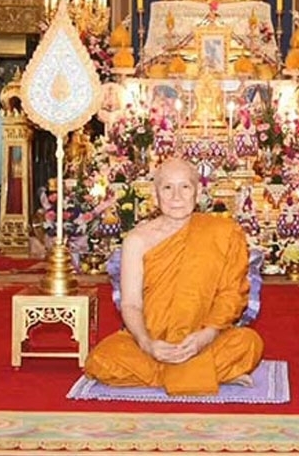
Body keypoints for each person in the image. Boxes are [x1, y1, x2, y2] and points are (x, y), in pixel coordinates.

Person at [84, 159, 264, 395]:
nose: (176, 196)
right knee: (102, 358)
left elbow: (232, 294)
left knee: (249, 343)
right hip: (153, 341)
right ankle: (206, 372)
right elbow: (131, 304)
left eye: (185, 187)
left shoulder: (224, 232)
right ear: (155, 195)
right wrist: (147, 344)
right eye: (168, 188)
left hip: (204, 339)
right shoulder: (137, 240)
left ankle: (177, 373)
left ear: (198, 193)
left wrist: (206, 335)